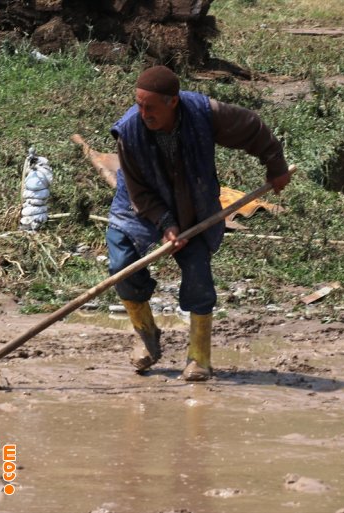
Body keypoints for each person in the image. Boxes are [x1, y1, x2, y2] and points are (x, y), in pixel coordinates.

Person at [107, 65, 291, 381]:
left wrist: (275, 164)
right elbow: (138, 189)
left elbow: (251, 127)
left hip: (192, 200)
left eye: (150, 106)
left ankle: (199, 356)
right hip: (141, 202)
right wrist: (165, 223)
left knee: (197, 272)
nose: (143, 113)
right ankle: (146, 335)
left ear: (173, 102)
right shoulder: (129, 131)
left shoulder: (204, 113)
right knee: (122, 261)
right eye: (138, 104)